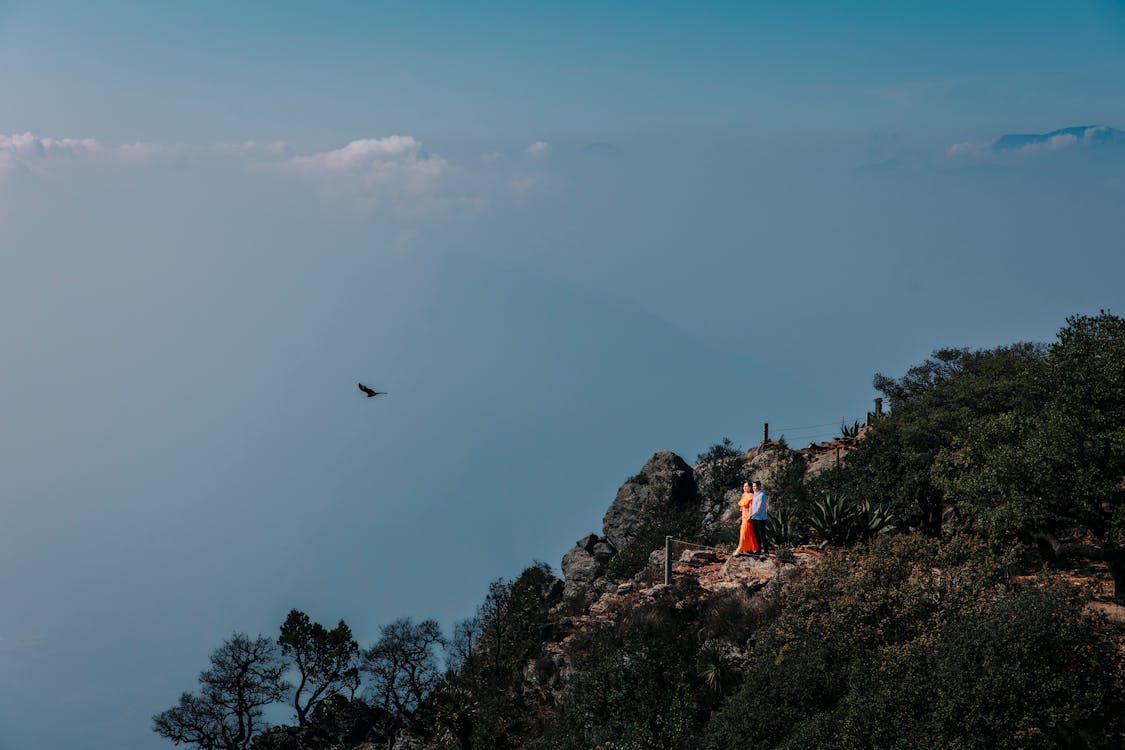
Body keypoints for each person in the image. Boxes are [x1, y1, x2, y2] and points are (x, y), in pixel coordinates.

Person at [735, 481, 759, 556]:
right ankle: (747, 548)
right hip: (743, 515)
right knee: (746, 532)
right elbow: (742, 505)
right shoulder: (744, 495)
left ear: (750, 487)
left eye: (746, 486)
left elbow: (751, 506)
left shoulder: (751, 495)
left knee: (745, 532)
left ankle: (740, 548)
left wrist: (750, 515)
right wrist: (742, 507)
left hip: (748, 516)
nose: (744, 488)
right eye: (744, 486)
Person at [750, 480, 769, 559]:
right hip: (754, 518)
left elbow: (759, 508)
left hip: (761, 518)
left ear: (759, 486)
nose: (754, 488)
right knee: (756, 535)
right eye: (753, 486)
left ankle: (766, 551)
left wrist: (751, 515)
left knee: (762, 535)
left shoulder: (762, 495)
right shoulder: (754, 494)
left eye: (756, 486)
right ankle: (758, 550)